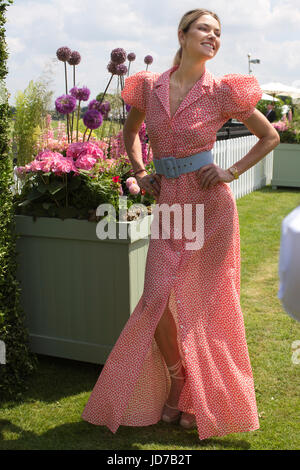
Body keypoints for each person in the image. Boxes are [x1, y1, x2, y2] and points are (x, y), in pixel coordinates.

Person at [81, 9, 280, 441]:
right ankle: (177, 378)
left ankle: (201, 400)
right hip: (171, 205)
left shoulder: (223, 90)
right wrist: (138, 169)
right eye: (205, 29)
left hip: (210, 208)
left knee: (207, 303)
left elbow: (270, 136)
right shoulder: (149, 88)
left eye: (218, 32)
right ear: (183, 35)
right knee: (156, 296)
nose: (213, 37)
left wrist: (232, 171)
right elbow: (130, 132)